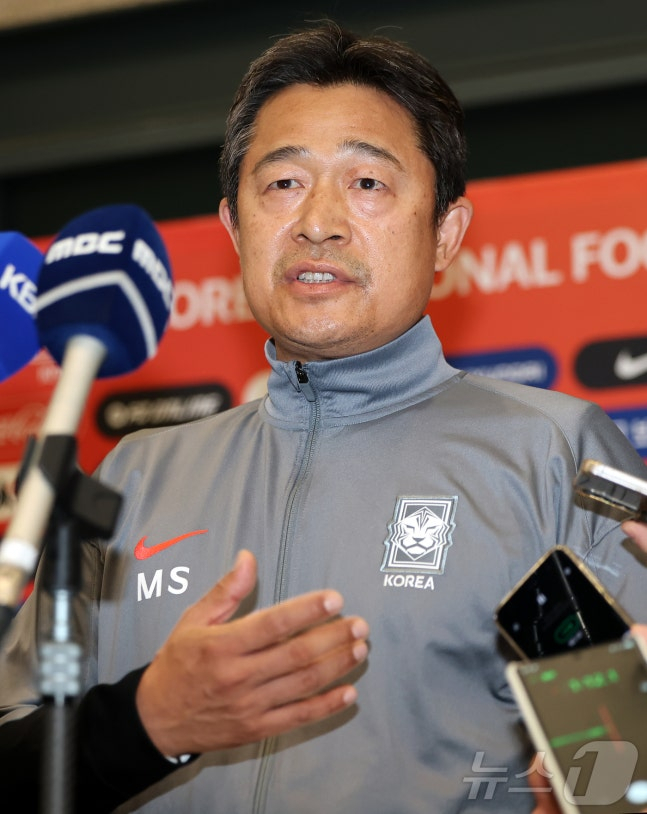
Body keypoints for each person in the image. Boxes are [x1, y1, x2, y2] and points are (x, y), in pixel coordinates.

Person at [1, 20, 646, 814]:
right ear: (234, 228)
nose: (318, 221)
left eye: (367, 183)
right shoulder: (133, 477)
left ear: (446, 234)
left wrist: (611, 763)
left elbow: (618, 772)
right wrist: (151, 720)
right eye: (282, 184)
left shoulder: (549, 457)